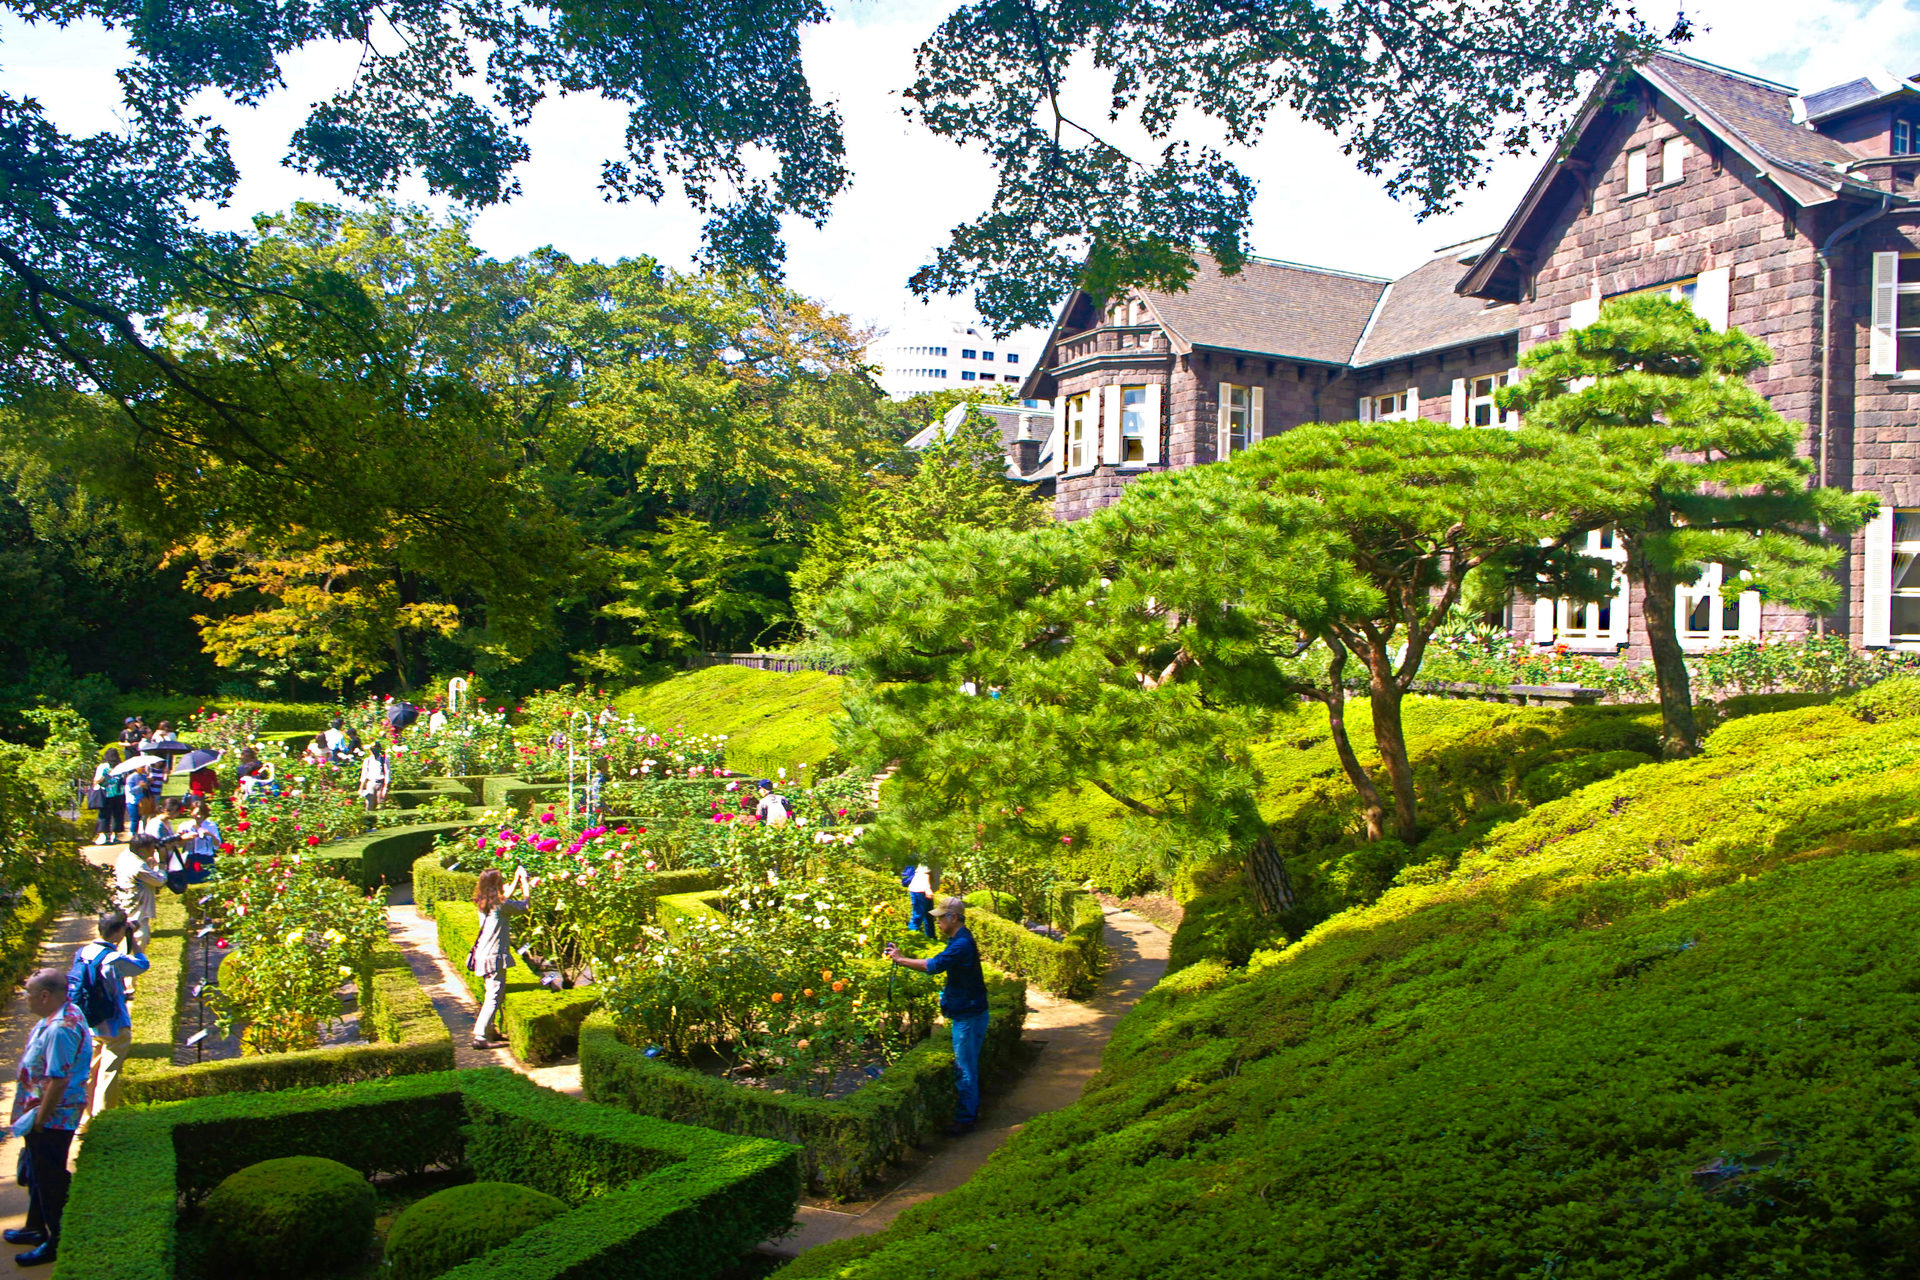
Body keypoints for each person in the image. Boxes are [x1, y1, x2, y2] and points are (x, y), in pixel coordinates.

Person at [884, 897, 989, 1136]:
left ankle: (966, 1120)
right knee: (967, 1066)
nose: (938, 921)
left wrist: (900, 960)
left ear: (953, 917)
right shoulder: (960, 939)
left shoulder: (961, 944)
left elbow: (934, 965)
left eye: (941, 917)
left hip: (969, 1016)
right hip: (970, 1011)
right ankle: (969, 1112)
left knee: (965, 1069)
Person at [8, 968, 91, 1266]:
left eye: (29, 994)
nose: (26, 999)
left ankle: (55, 1241)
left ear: (45, 996)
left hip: (52, 1119)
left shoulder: (60, 1028)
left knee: (50, 1180)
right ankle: (34, 1227)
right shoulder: (63, 1012)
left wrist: (40, 1120)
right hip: (43, 1115)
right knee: (37, 1173)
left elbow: (58, 1080)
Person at [67, 910, 148, 1117]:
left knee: (88, 1074)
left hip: (87, 1023)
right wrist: (133, 941)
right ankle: (104, 1120)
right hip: (113, 1024)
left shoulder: (83, 952)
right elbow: (142, 965)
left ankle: (82, 1121)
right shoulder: (113, 958)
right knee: (109, 1073)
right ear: (120, 930)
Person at [467, 867, 531, 1051]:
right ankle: (480, 1036)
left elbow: (505, 897)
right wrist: (525, 883)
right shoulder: (501, 905)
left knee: (492, 992)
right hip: (494, 956)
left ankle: (490, 1030)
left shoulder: (483, 901)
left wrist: (516, 878)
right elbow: (524, 907)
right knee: (494, 996)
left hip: (482, 955)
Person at [113, 835, 165, 951]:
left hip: (125, 902)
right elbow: (159, 881)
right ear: (142, 850)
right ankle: (132, 965)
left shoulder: (126, 854)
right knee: (139, 936)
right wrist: (162, 862)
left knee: (126, 936)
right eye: (152, 848)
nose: (154, 851)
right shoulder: (138, 865)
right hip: (137, 907)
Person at [91, 749, 126, 847]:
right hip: (119, 793)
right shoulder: (121, 766)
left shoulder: (103, 766)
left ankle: (104, 836)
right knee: (118, 815)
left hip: (106, 794)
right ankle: (115, 835)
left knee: (104, 815)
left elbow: (97, 780)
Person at [904, 862, 937, 939]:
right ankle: (909, 938)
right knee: (918, 916)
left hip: (922, 890)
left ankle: (931, 939)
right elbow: (924, 871)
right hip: (919, 890)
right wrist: (927, 888)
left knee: (929, 917)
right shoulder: (928, 855)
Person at [358, 740, 390, 816]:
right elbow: (364, 774)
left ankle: (381, 820)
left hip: (380, 783)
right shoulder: (367, 760)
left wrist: (385, 787)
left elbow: (387, 774)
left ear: (379, 750)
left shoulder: (384, 760)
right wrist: (361, 788)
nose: (373, 752)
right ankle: (369, 820)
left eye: (375, 750)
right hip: (370, 783)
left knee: (380, 803)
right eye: (372, 750)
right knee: (369, 804)